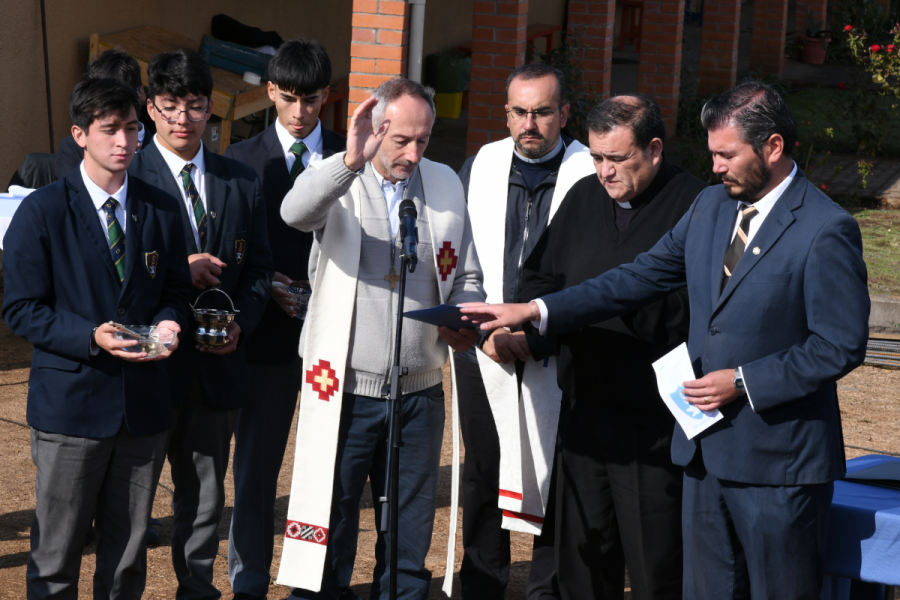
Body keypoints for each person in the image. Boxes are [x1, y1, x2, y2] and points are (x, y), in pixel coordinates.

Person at [460, 81, 870, 599]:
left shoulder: (825, 228)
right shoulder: (711, 209)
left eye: (726, 155)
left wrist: (743, 382)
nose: (716, 167)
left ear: (772, 147)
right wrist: (537, 309)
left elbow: (838, 345)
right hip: (702, 456)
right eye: (712, 154)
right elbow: (635, 278)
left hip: (778, 465)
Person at [276, 78, 484, 600]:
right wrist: (349, 160)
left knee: (410, 531)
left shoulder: (444, 185)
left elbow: (469, 277)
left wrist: (464, 320)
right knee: (333, 521)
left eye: (424, 140)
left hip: (419, 390)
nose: (413, 154)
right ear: (377, 128)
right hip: (345, 388)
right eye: (400, 141)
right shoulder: (339, 176)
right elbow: (294, 213)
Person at [2, 77, 192, 599]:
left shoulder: (161, 207)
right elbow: (19, 308)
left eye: (132, 129)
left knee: (129, 553)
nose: (125, 142)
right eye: (110, 130)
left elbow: (176, 289)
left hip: (144, 407)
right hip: (71, 407)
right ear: (79, 134)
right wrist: (90, 335)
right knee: (57, 554)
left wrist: (173, 320)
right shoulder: (42, 211)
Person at [518, 95, 706, 600]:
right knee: (582, 559)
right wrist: (524, 333)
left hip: (652, 423)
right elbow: (537, 277)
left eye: (618, 159)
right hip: (581, 412)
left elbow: (696, 310)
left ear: (655, 149)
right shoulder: (582, 197)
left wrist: (605, 299)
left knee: (655, 564)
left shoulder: (696, 206)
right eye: (597, 158)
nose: (604, 171)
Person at [129, 49, 273, 600]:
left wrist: (242, 322)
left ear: (210, 107)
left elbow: (259, 267)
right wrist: (176, 268)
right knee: (133, 502)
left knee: (206, 500)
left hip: (218, 363)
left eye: (193, 106)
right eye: (169, 107)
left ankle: (198, 591)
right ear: (150, 108)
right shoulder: (128, 177)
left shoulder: (240, 179)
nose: (183, 119)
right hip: (148, 367)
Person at [455, 62, 594, 600]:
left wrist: (538, 332)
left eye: (541, 112)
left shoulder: (591, 172)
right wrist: (481, 327)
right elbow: (458, 255)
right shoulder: (481, 166)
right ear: (505, 113)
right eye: (519, 112)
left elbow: (596, 272)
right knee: (482, 470)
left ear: (564, 113)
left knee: (557, 474)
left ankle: (546, 589)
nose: (529, 124)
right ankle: (483, 583)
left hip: (559, 345)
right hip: (483, 346)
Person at [223, 39, 346, 600]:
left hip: (333, 342)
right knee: (254, 470)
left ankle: (311, 582)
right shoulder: (241, 162)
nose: (301, 113)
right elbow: (230, 246)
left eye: (313, 100)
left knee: (324, 472)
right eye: (290, 98)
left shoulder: (351, 158)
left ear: (329, 96)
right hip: (265, 338)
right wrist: (262, 284)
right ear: (270, 91)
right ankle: (247, 580)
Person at [58, 49, 155, 178]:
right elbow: (72, 194)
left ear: (141, 93)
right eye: (104, 97)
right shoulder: (73, 147)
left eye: (125, 95)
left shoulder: (161, 147)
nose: (123, 142)